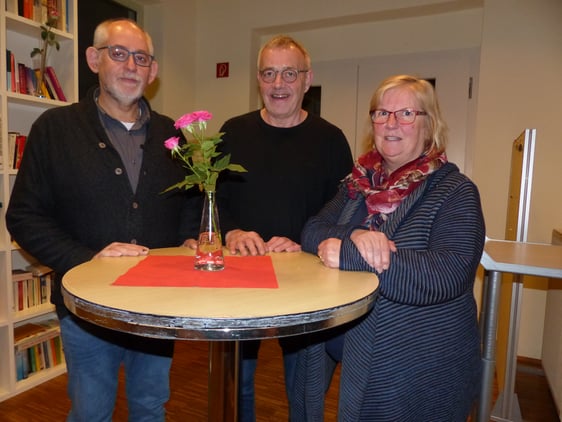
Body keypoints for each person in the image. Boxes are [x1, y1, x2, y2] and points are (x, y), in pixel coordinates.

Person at [6, 19, 200, 421]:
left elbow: (190, 205)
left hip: (155, 308)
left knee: (150, 407)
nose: (131, 66)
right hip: (86, 311)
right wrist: (86, 257)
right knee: (91, 412)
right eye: (118, 53)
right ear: (94, 59)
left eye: (141, 57)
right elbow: (23, 215)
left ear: (153, 70)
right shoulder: (54, 129)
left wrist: (188, 241)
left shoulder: (172, 135)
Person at [292, 74, 485, 421]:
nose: (391, 123)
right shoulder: (358, 184)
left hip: (418, 371)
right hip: (356, 352)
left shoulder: (455, 192)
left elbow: (445, 276)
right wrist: (356, 236)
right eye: (381, 113)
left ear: (429, 125)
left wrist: (350, 255)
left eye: (406, 113)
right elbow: (312, 230)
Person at [216, 35, 354, 421]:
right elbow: (214, 203)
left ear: (307, 80)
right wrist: (233, 233)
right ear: (258, 80)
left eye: (289, 73)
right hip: (240, 278)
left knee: (304, 389)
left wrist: (303, 241)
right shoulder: (233, 132)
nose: (278, 84)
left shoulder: (331, 140)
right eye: (269, 73)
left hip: (307, 283)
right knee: (236, 384)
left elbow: (345, 214)